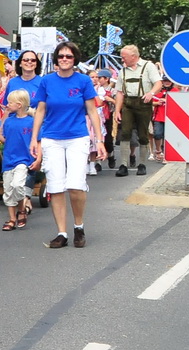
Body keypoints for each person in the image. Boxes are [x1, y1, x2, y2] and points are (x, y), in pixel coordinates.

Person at [29, 41, 105, 250]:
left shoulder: (83, 81)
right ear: (56, 58)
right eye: (61, 56)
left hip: (77, 137)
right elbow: (40, 111)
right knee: (55, 186)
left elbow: (92, 111)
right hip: (52, 138)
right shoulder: (47, 81)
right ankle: (61, 233)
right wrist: (35, 139)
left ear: (75, 59)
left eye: (68, 56)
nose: (64, 59)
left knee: (75, 184)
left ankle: (78, 226)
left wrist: (99, 140)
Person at [112, 44, 160, 177]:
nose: (122, 60)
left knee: (143, 134)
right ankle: (123, 165)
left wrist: (151, 93)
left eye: (124, 57)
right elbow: (120, 92)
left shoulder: (148, 66)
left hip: (143, 104)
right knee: (125, 133)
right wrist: (117, 110)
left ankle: (142, 164)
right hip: (128, 104)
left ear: (133, 56)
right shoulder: (123, 71)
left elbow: (158, 83)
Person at [0, 89, 35, 230]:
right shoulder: (9, 121)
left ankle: (21, 209)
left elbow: (37, 140)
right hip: (9, 159)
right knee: (8, 189)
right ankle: (12, 218)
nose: (7, 104)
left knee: (17, 185)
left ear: (19, 105)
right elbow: (4, 137)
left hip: (24, 159)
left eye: (10, 103)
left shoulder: (31, 122)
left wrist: (37, 157)